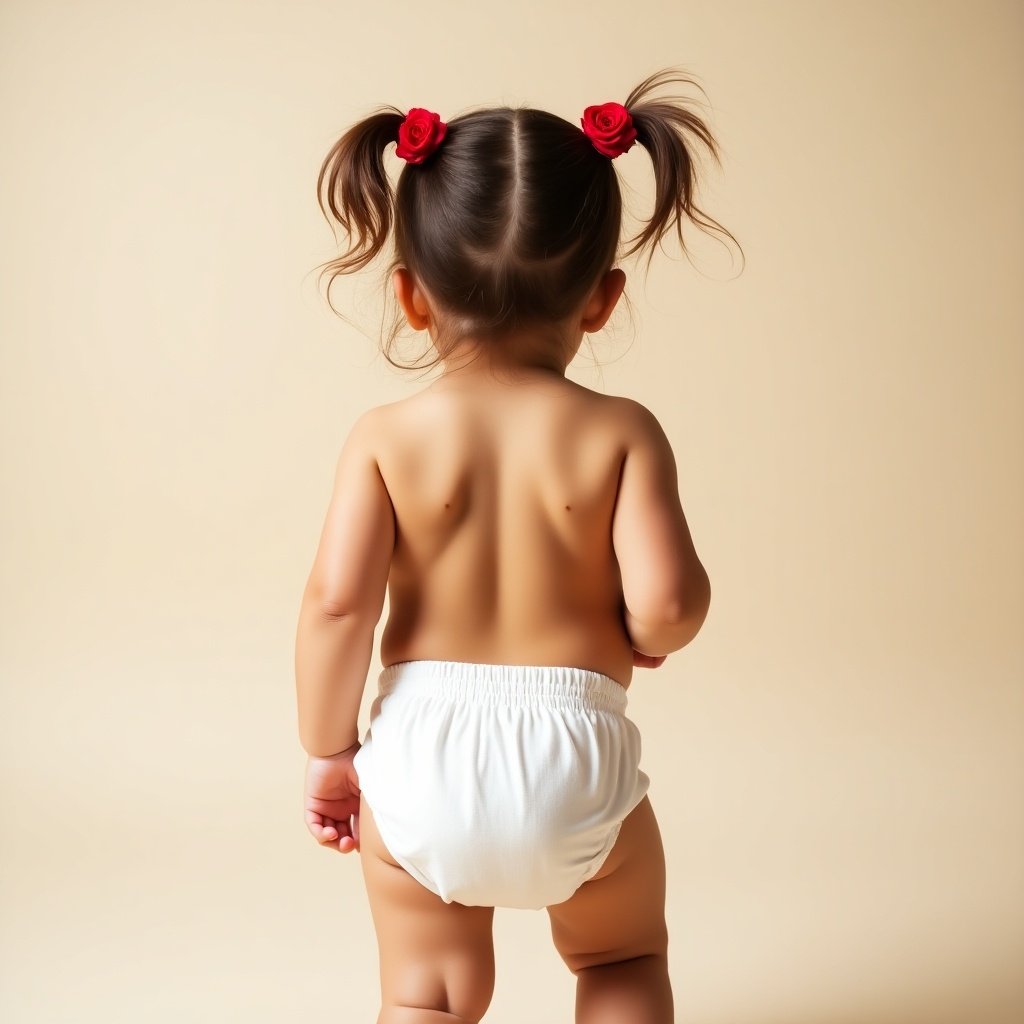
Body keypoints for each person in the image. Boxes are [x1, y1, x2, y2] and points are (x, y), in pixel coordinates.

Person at [294, 66, 738, 1024]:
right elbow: (667, 605)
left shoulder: (384, 435)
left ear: (411, 297)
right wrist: (641, 624)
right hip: (574, 752)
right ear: (601, 298)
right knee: (622, 958)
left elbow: (337, 606)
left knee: (429, 995)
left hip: (419, 756)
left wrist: (332, 756)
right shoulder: (621, 429)